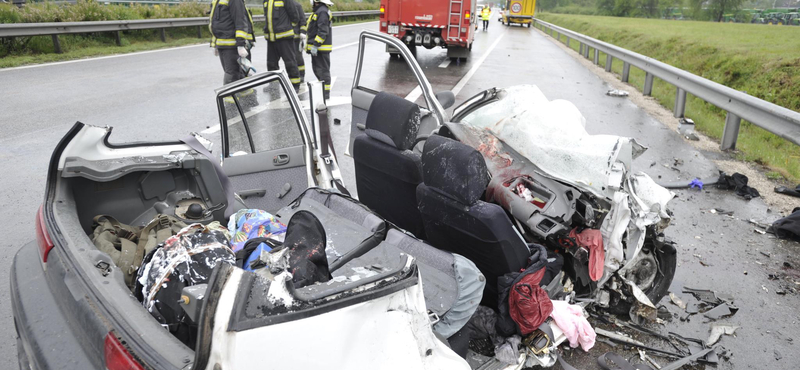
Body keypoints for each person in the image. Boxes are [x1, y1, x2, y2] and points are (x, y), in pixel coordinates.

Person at [209, 0, 255, 85]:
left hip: (232, 45)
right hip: (222, 45)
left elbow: (240, 22)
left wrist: (240, 45)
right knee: (236, 75)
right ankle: (245, 94)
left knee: (232, 75)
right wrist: (214, 43)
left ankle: (231, 97)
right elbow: (215, 24)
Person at [264, 0, 302, 92]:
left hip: (284, 37)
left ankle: (295, 85)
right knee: (271, 64)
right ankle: (273, 85)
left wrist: (286, 27)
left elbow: (295, 17)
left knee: (290, 62)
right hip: (271, 38)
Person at [306, 0, 333, 100]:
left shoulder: (322, 11)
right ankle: (323, 93)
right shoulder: (320, 11)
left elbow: (322, 31)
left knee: (323, 72)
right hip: (319, 49)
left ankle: (325, 95)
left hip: (321, 48)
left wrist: (316, 45)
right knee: (318, 71)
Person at [294, 1, 308, 85]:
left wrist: (303, 32)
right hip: (287, 39)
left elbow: (303, 20)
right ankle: (293, 75)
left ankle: (301, 75)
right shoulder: (283, 5)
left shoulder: (297, 5)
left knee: (298, 57)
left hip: (297, 38)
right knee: (291, 59)